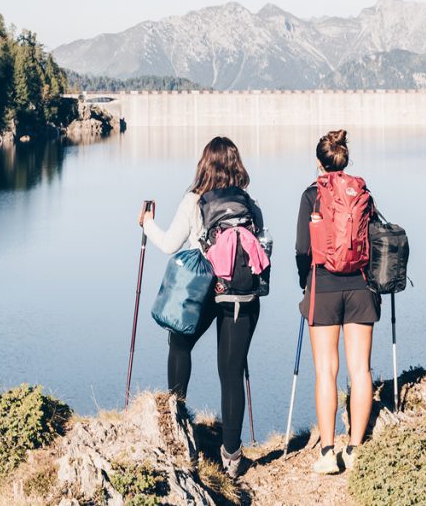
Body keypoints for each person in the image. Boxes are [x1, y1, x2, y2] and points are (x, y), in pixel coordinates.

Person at [138, 136, 266, 478]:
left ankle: (176, 423)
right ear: (237, 165)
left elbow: (169, 244)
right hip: (241, 295)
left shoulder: (194, 200)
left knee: (179, 344)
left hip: (203, 288)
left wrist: (147, 223)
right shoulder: (250, 204)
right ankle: (233, 457)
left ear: (204, 164)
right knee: (231, 372)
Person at [295, 129, 379, 474]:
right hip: (361, 287)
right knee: (360, 370)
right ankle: (355, 449)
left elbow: (303, 249)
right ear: (345, 160)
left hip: (323, 286)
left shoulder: (311, 195)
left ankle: (328, 452)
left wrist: (305, 282)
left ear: (319, 163)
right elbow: (376, 240)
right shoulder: (362, 192)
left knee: (326, 371)